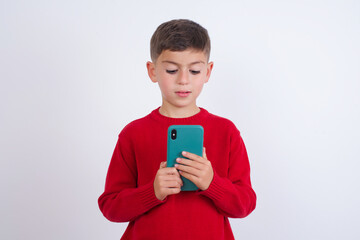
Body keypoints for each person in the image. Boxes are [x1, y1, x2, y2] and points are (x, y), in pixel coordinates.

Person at [98, 19, 256, 240]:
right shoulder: (133, 134)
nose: (183, 80)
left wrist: (213, 183)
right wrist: (152, 192)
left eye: (194, 70)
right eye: (172, 70)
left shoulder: (226, 131)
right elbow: (110, 207)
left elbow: (245, 205)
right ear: (152, 71)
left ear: (208, 72)